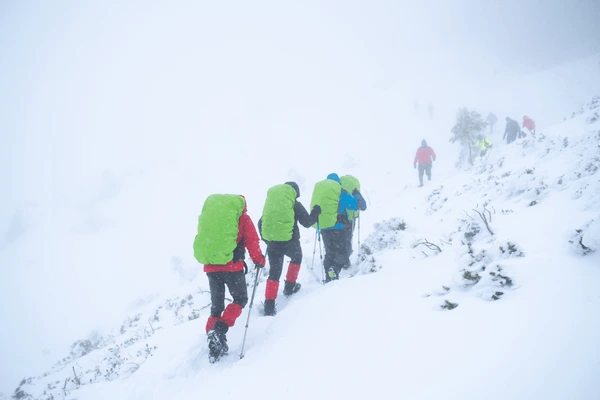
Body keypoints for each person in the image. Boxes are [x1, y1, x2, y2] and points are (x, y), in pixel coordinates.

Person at [193, 194, 266, 363]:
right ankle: (220, 329)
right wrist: (259, 260)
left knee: (216, 307)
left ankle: (213, 341)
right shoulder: (243, 218)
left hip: (211, 267)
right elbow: (252, 241)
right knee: (240, 299)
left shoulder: (212, 218)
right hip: (232, 267)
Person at [258, 182, 321, 316]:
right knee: (296, 257)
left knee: (274, 272)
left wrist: (267, 240)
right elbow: (307, 222)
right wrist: (316, 211)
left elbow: (260, 223)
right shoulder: (294, 204)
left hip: (273, 242)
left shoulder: (271, 206)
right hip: (290, 241)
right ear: (295, 193)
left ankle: (269, 305)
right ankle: (289, 286)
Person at [310, 173, 363, 283]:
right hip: (339, 228)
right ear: (338, 183)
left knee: (329, 252)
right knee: (342, 253)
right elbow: (354, 206)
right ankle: (334, 270)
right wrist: (356, 195)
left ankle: (329, 277)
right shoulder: (341, 192)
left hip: (325, 228)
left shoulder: (322, 195)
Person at [339, 175, 367, 268]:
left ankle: (340, 258)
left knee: (339, 238)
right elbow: (363, 206)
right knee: (347, 238)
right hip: (351, 219)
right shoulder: (355, 191)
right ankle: (345, 260)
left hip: (339, 217)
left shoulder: (339, 190)